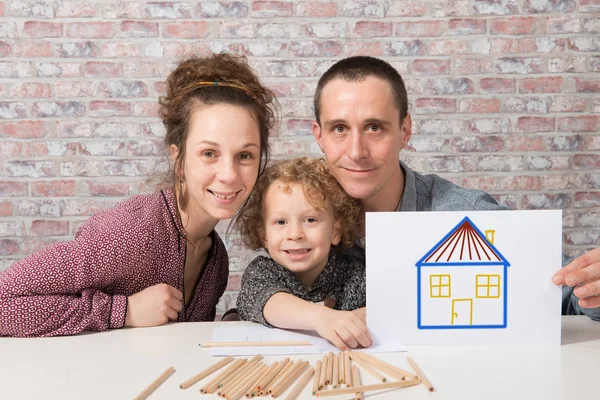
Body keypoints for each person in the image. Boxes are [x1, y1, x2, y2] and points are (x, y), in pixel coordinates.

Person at [0, 53, 279, 337]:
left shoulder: (216, 260)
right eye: (209, 153)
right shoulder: (131, 234)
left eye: (244, 155)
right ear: (178, 159)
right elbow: (3, 302)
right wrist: (123, 311)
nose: (229, 174)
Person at [312, 55, 600, 320]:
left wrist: (592, 291)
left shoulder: (469, 216)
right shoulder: (294, 219)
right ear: (319, 136)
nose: (356, 151)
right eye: (339, 128)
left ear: (404, 131)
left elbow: (570, 299)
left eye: (374, 127)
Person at [235, 157, 371, 350]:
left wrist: (375, 315)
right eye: (281, 222)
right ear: (264, 236)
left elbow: (391, 308)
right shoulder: (261, 272)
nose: (295, 234)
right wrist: (321, 317)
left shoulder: (354, 277)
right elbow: (267, 300)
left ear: (335, 231)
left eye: (310, 220)